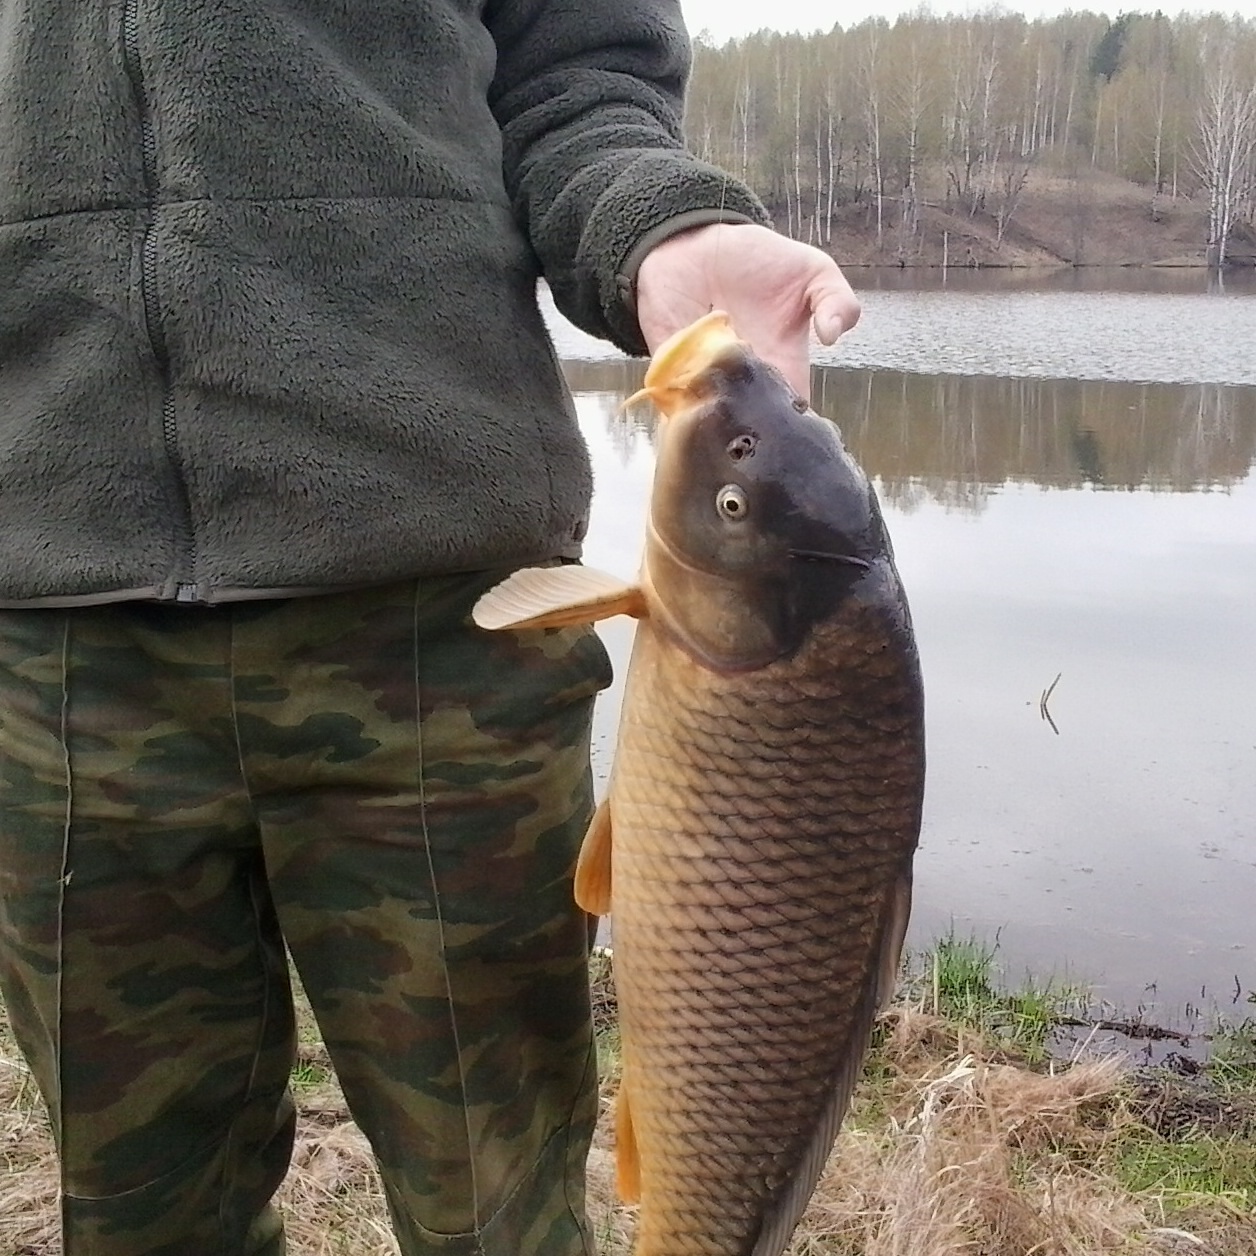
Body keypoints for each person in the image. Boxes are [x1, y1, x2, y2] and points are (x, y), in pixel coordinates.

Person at [0, 2, 860, 1253]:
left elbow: (581, 84)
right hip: (55, 635)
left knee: (496, 1210)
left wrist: (656, 226)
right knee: (133, 1216)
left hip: (436, 633)